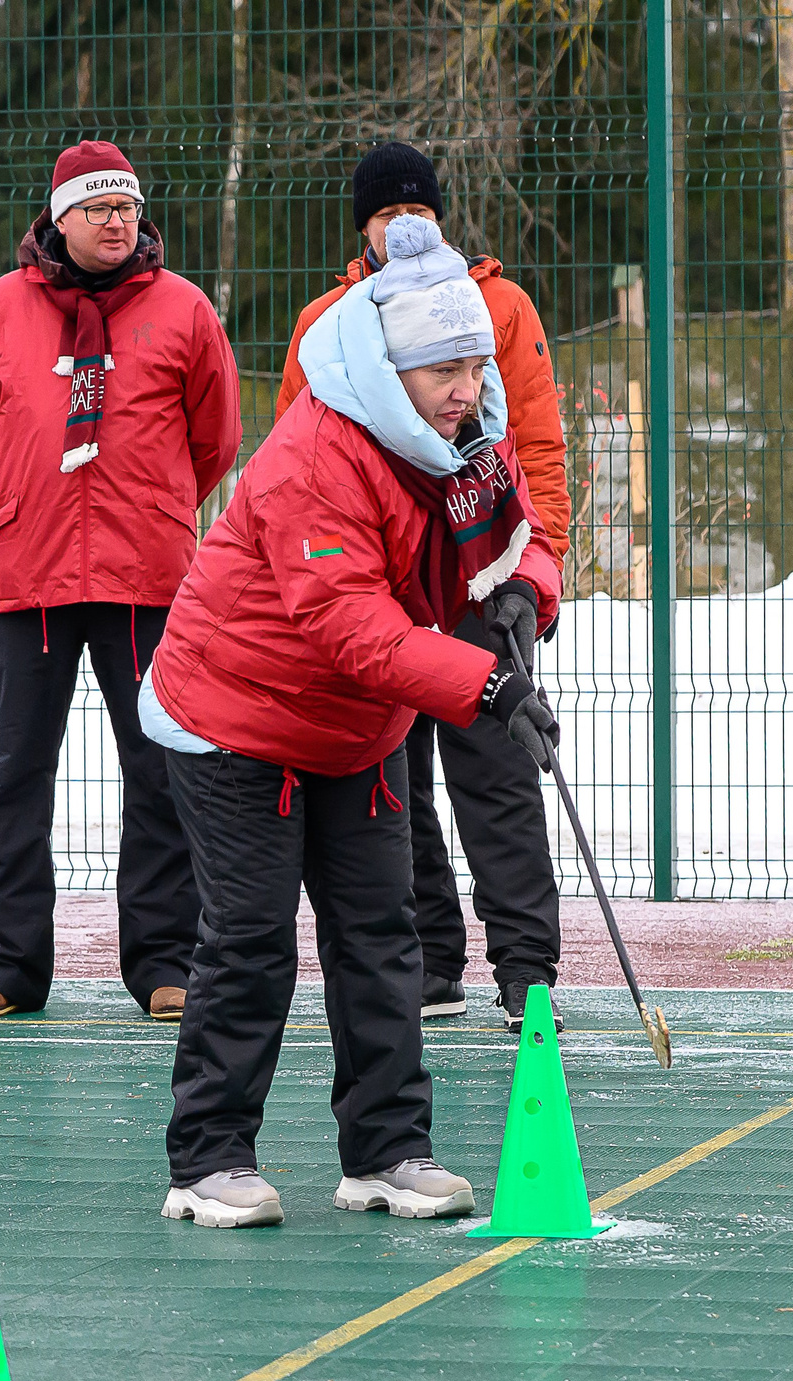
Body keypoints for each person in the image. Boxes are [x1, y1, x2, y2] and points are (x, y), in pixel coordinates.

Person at [143, 215, 565, 1229]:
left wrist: (525, 594)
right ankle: (206, 1160)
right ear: (388, 365)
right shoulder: (316, 456)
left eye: (471, 364)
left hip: (355, 729)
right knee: (248, 939)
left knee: (381, 937)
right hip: (236, 716)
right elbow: (347, 625)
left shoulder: (464, 445)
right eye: (438, 369)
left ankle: (386, 1149)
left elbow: (520, 532)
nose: (463, 387)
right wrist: (485, 685)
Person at [0, 139, 243, 1023]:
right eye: (101, 210)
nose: (120, 223)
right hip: (24, 580)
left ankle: (163, 963)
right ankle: (11, 964)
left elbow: (213, 441)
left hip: (147, 576)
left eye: (129, 209)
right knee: (14, 776)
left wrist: (150, 503)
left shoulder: (184, 310)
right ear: (59, 219)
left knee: (158, 771)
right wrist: (20, 500)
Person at [276, 142, 573, 1033]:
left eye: (421, 212)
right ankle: (430, 957)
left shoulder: (498, 306)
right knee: (385, 780)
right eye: (386, 214)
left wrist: (535, 570)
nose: (404, 226)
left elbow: (537, 450)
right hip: (380, 586)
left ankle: (526, 969)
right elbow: (302, 457)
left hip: (478, 575)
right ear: (362, 226)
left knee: (499, 766)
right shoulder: (327, 321)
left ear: (441, 217)